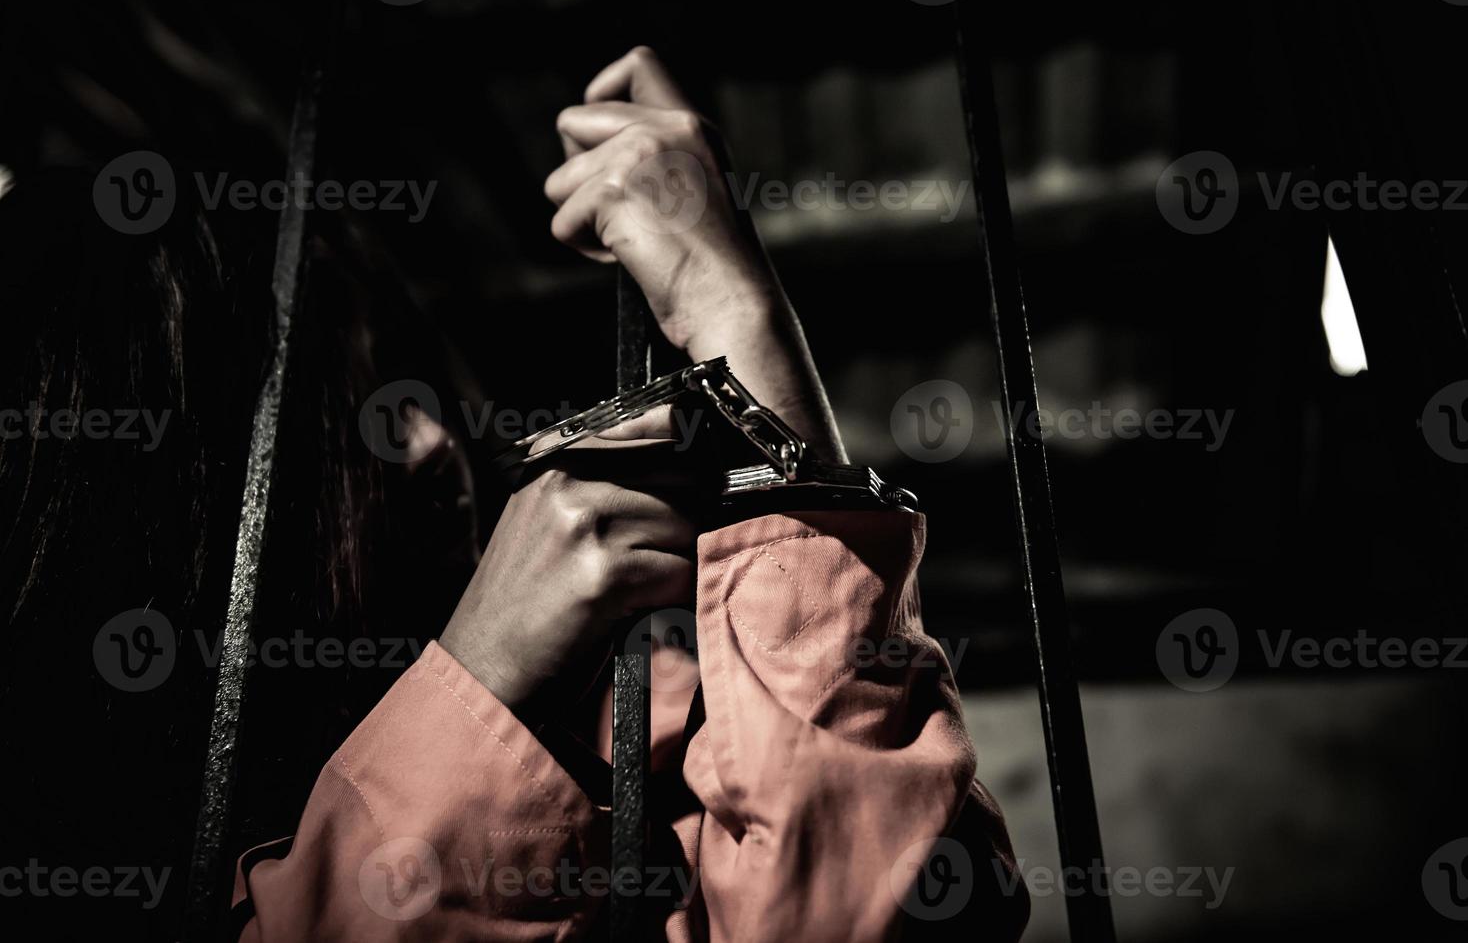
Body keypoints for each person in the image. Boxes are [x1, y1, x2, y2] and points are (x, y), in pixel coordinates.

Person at [230, 47, 1028, 942]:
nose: (431, 442)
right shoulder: (144, 828)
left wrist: (739, 321)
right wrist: (478, 685)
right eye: (347, 414)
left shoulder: (652, 722)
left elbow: (905, 909)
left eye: (416, 394)